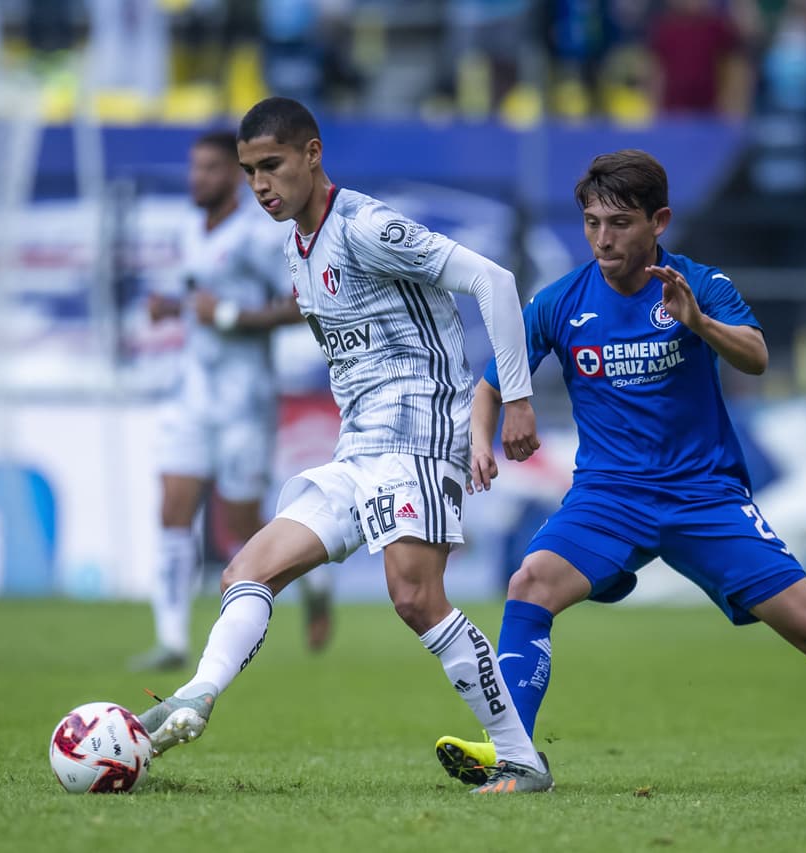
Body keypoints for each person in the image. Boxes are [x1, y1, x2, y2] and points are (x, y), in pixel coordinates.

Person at [434, 149, 806, 794]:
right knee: (529, 584)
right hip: (609, 497)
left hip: (704, 498)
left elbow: (755, 356)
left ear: (658, 221)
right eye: (591, 223)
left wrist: (698, 322)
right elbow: (490, 383)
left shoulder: (699, 284)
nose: (602, 239)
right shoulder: (560, 301)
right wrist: (484, 438)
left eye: (618, 224)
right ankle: (518, 755)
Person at [137, 97, 553, 795]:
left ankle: (521, 758)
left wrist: (514, 398)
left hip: (417, 434)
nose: (261, 184)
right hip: (357, 447)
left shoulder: (368, 226)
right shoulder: (296, 248)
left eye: (272, 165)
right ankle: (197, 694)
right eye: (250, 172)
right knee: (246, 568)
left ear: (312, 154)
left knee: (415, 597)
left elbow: (495, 280)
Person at [130, 130, 334, 673]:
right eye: (195, 169)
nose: (199, 179)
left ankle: (313, 582)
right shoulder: (189, 228)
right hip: (191, 394)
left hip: (245, 400)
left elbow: (301, 303)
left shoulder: (256, 237)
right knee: (173, 511)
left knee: (240, 527)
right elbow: (203, 298)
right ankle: (172, 640)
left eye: (211, 170)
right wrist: (175, 308)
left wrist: (228, 317)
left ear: (236, 177)